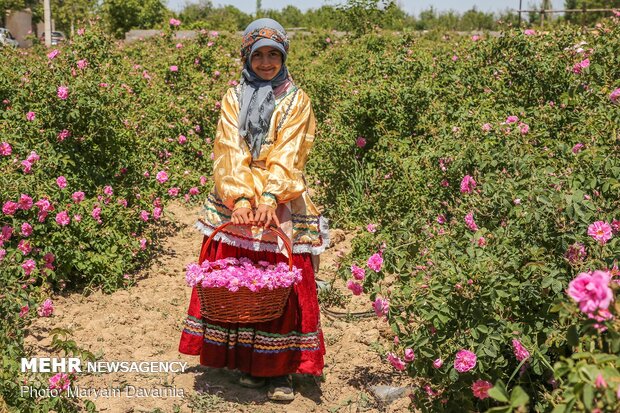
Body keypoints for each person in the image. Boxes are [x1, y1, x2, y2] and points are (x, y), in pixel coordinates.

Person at [178, 18, 330, 401]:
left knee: (282, 282)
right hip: (238, 198)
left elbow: (291, 152)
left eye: (273, 55)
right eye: (258, 54)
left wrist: (269, 198)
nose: (265, 62)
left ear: (283, 57)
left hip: (280, 198)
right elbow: (229, 148)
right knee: (240, 282)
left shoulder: (298, 99)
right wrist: (241, 198)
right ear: (246, 56)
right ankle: (246, 361)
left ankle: (280, 371)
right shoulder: (233, 97)